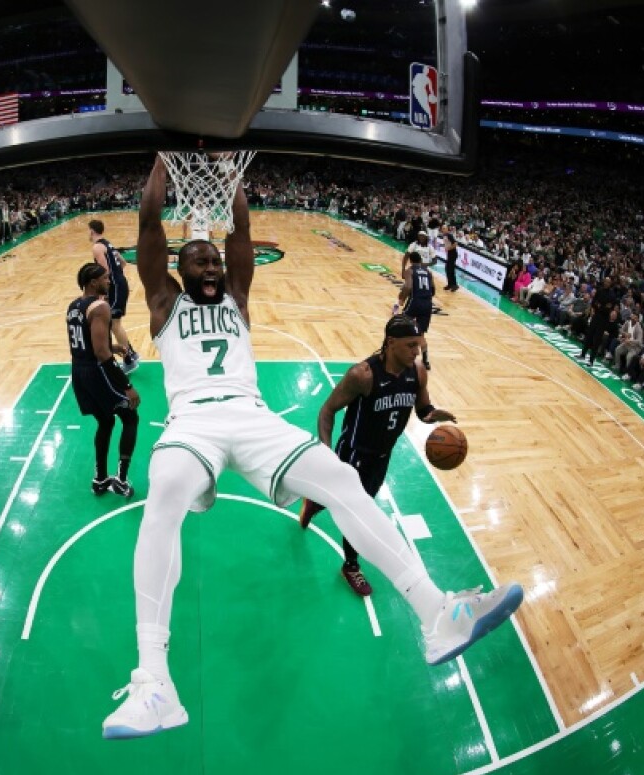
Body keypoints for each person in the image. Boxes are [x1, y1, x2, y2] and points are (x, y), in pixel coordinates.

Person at [101, 156, 523, 739]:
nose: (212, 266)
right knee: (165, 494)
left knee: (343, 481)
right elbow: (149, 222)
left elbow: (241, 230)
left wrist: (229, 173)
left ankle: (438, 614)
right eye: (200, 259)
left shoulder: (236, 298)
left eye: (215, 260)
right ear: (178, 267)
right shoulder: (163, 305)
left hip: (252, 416)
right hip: (192, 421)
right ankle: (154, 682)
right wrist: (161, 161)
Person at [300, 315, 457, 596]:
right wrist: (326, 452)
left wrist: (434, 415)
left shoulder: (417, 372)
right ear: (391, 342)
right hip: (353, 455)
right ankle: (350, 566)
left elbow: (423, 410)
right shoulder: (362, 375)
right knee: (358, 514)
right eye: (410, 345)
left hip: (382, 456)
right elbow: (327, 411)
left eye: (419, 345)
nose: (417, 351)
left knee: (353, 504)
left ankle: (314, 503)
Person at [67, 262, 140, 497]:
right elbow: (100, 353)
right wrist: (126, 385)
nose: (109, 281)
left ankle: (99, 479)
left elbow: (87, 341)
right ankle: (121, 480)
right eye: (105, 278)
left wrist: (112, 346)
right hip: (98, 372)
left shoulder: (74, 306)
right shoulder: (100, 307)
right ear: (93, 282)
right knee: (130, 416)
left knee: (106, 422)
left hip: (79, 371)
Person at [88, 220, 140, 373]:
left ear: (91, 231)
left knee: (114, 324)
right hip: (120, 284)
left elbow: (104, 271)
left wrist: (102, 294)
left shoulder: (97, 247)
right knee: (113, 323)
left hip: (114, 286)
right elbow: (123, 263)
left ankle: (129, 360)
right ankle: (132, 354)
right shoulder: (108, 244)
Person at [397, 250, 435, 369]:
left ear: (411, 261)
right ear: (421, 260)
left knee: (402, 326)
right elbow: (433, 290)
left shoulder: (410, 271)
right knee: (421, 334)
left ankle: (401, 354)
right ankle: (425, 361)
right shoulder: (428, 272)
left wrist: (402, 299)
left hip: (415, 301)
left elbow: (408, 286)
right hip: (427, 303)